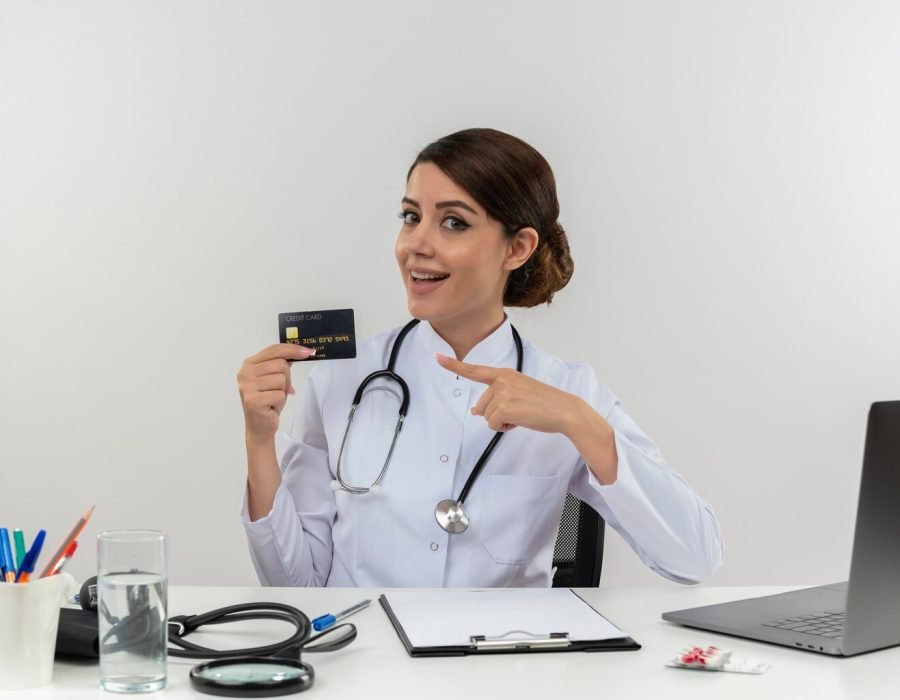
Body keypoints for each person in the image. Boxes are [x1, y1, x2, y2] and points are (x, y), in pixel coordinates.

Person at [238, 128, 723, 587]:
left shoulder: (569, 391)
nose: (416, 245)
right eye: (411, 217)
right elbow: (296, 586)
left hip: (504, 650)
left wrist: (578, 421)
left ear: (518, 248)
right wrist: (260, 440)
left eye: (454, 222)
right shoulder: (342, 378)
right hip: (367, 644)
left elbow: (694, 558)